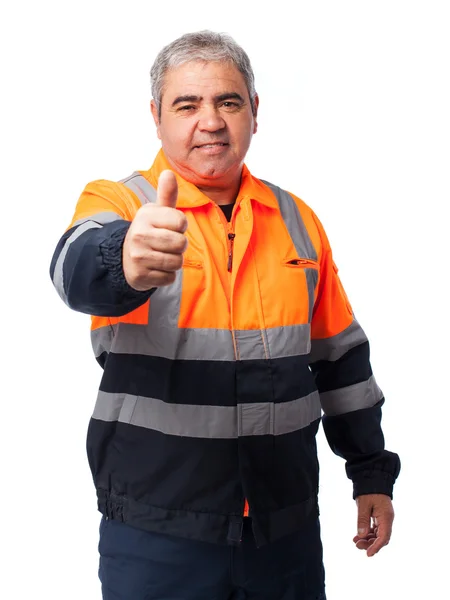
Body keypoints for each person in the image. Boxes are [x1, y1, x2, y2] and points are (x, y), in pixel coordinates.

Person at [50, 30, 400, 600]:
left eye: (228, 102)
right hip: (156, 531)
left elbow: (340, 359)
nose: (210, 121)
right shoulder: (121, 204)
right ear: (156, 117)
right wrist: (124, 259)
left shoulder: (297, 219)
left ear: (254, 113)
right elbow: (72, 267)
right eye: (187, 105)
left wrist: (371, 472)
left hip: (283, 533)